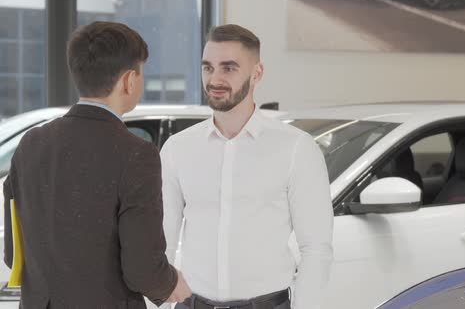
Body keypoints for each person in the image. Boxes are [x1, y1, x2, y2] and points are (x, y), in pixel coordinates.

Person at [2, 21, 191, 308]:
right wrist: (173, 285)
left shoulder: (31, 143)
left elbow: (14, 253)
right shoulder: (136, 153)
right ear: (129, 80)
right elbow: (142, 269)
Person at [160, 24, 334, 309]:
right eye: (207, 67)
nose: (214, 79)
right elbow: (161, 244)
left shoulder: (296, 148)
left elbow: (316, 249)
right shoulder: (178, 149)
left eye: (228, 68)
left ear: (257, 74)